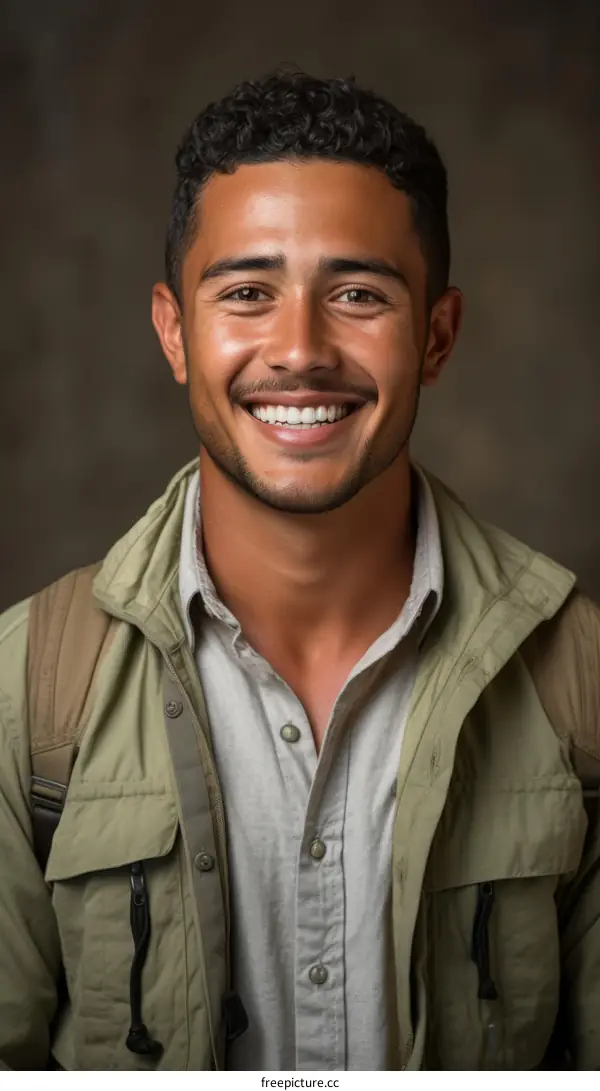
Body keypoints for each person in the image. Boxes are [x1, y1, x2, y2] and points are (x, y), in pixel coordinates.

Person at [0, 69, 599, 1074]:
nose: (300, 349)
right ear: (174, 332)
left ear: (439, 335)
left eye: (358, 294)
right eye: (246, 292)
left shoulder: (582, 681)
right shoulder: (26, 693)